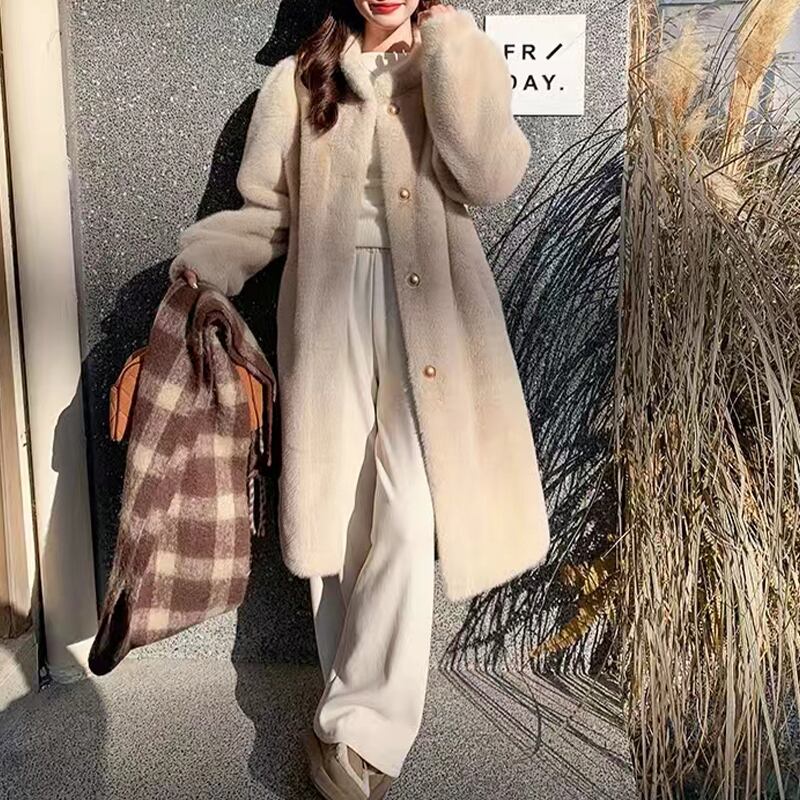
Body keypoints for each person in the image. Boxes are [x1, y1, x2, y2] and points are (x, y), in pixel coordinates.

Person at [169, 1, 551, 797]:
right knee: (340, 511)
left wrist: (448, 47)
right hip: (329, 310)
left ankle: (359, 727)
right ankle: (351, 729)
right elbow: (267, 213)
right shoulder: (297, 80)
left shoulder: (455, 59)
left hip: (429, 312)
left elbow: (490, 175)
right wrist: (204, 269)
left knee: (408, 509)